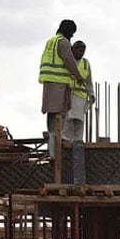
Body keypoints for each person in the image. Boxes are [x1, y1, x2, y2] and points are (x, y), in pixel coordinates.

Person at [38, 20, 84, 158]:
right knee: (59, 113)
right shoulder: (63, 42)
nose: (73, 36)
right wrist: (78, 76)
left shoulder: (51, 41)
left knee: (52, 114)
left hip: (50, 83)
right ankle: (55, 148)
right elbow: (68, 60)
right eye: (72, 32)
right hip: (58, 84)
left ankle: (53, 144)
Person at [62, 41, 95, 142]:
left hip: (81, 97)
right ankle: (67, 140)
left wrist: (92, 94)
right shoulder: (67, 61)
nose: (81, 53)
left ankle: (78, 141)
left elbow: (89, 81)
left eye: (83, 52)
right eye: (80, 51)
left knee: (79, 122)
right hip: (69, 95)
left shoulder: (85, 63)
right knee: (68, 120)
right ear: (73, 50)